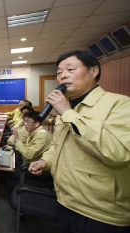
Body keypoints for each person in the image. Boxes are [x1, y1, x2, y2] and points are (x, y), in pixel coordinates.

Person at [28, 50, 130, 232]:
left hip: (100, 214)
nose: (63, 75)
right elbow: (57, 146)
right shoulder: (66, 110)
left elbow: (117, 152)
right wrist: (46, 161)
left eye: (70, 69)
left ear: (94, 71)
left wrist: (68, 113)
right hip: (65, 201)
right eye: (59, 72)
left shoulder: (120, 104)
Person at [3, 110, 52, 191]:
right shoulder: (33, 132)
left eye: (28, 122)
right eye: (25, 121)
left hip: (39, 170)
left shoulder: (41, 137)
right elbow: (26, 147)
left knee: (8, 173)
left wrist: (16, 140)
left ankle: (18, 194)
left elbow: (28, 155)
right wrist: (14, 147)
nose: (25, 124)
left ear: (37, 124)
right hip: (30, 162)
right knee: (6, 166)